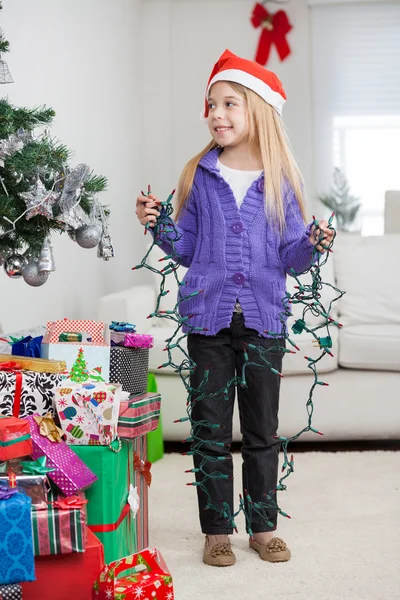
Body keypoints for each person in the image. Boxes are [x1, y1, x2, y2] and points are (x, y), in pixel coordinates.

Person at [136, 49, 334, 567]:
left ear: (259, 113)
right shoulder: (198, 174)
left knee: (263, 429)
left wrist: (313, 243)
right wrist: (157, 224)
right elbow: (186, 248)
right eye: (211, 104)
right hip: (207, 319)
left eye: (229, 104)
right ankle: (216, 529)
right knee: (210, 429)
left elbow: (291, 257)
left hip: (265, 320)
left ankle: (263, 526)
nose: (216, 114)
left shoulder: (281, 180)